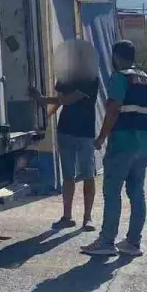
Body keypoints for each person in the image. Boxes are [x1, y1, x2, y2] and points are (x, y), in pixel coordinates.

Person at [81, 39, 147, 258]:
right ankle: (133, 242)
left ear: (116, 57)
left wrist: (101, 137)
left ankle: (106, 241)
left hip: (122, 144)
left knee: (112, 194)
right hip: (143, 145)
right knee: (137, 193)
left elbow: (113, 109)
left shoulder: (119, 77)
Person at [32, 69, 100, 232]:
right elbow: (60, 100)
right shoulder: (66, 76)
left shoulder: (91, 78)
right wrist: (46, 118)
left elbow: (68, 100)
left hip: (85, 133)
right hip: (65, 131)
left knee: (88, 175)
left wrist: (42, 99)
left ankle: (87, 218)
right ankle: (67, 217)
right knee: (68, 176)